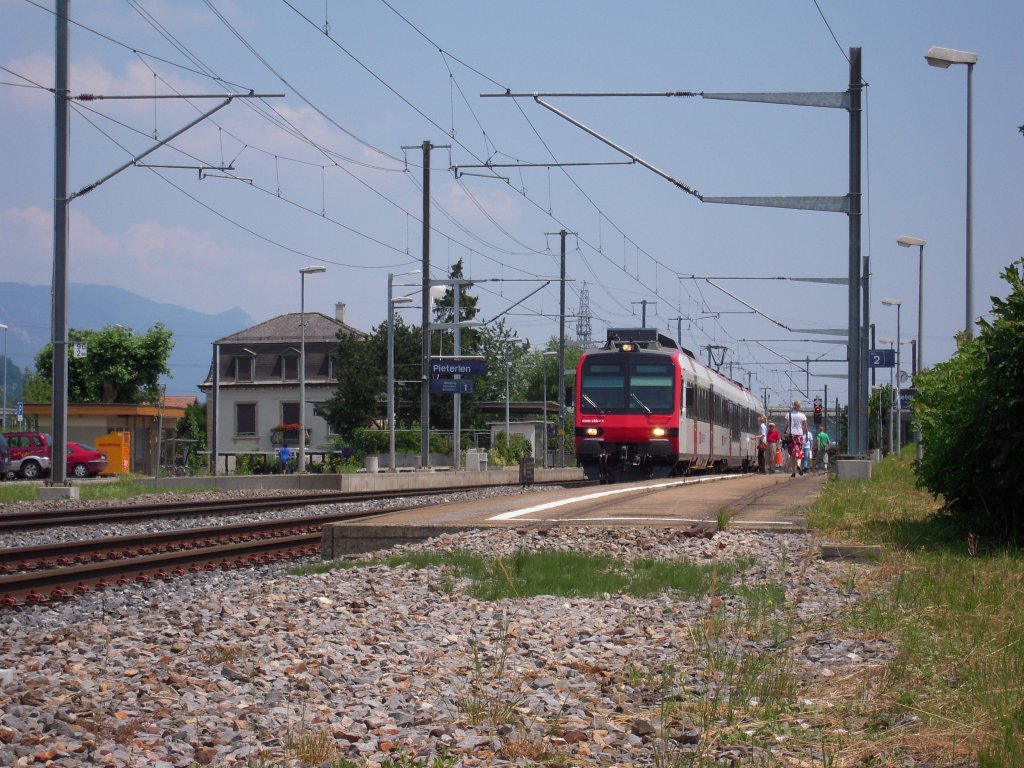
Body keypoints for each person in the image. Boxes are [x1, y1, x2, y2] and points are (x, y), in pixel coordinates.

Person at [784, 400, 808, 478]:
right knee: (799, 453)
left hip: (791, 435)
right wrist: (806, 435)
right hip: (799, 436)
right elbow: (805, 427)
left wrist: (784, 432)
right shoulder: (802, 416)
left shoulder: (788, 415)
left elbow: (786, 425)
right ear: (799, 406)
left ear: (793, 406)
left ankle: (793, 471)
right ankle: (798, 465)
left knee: (791, 454)